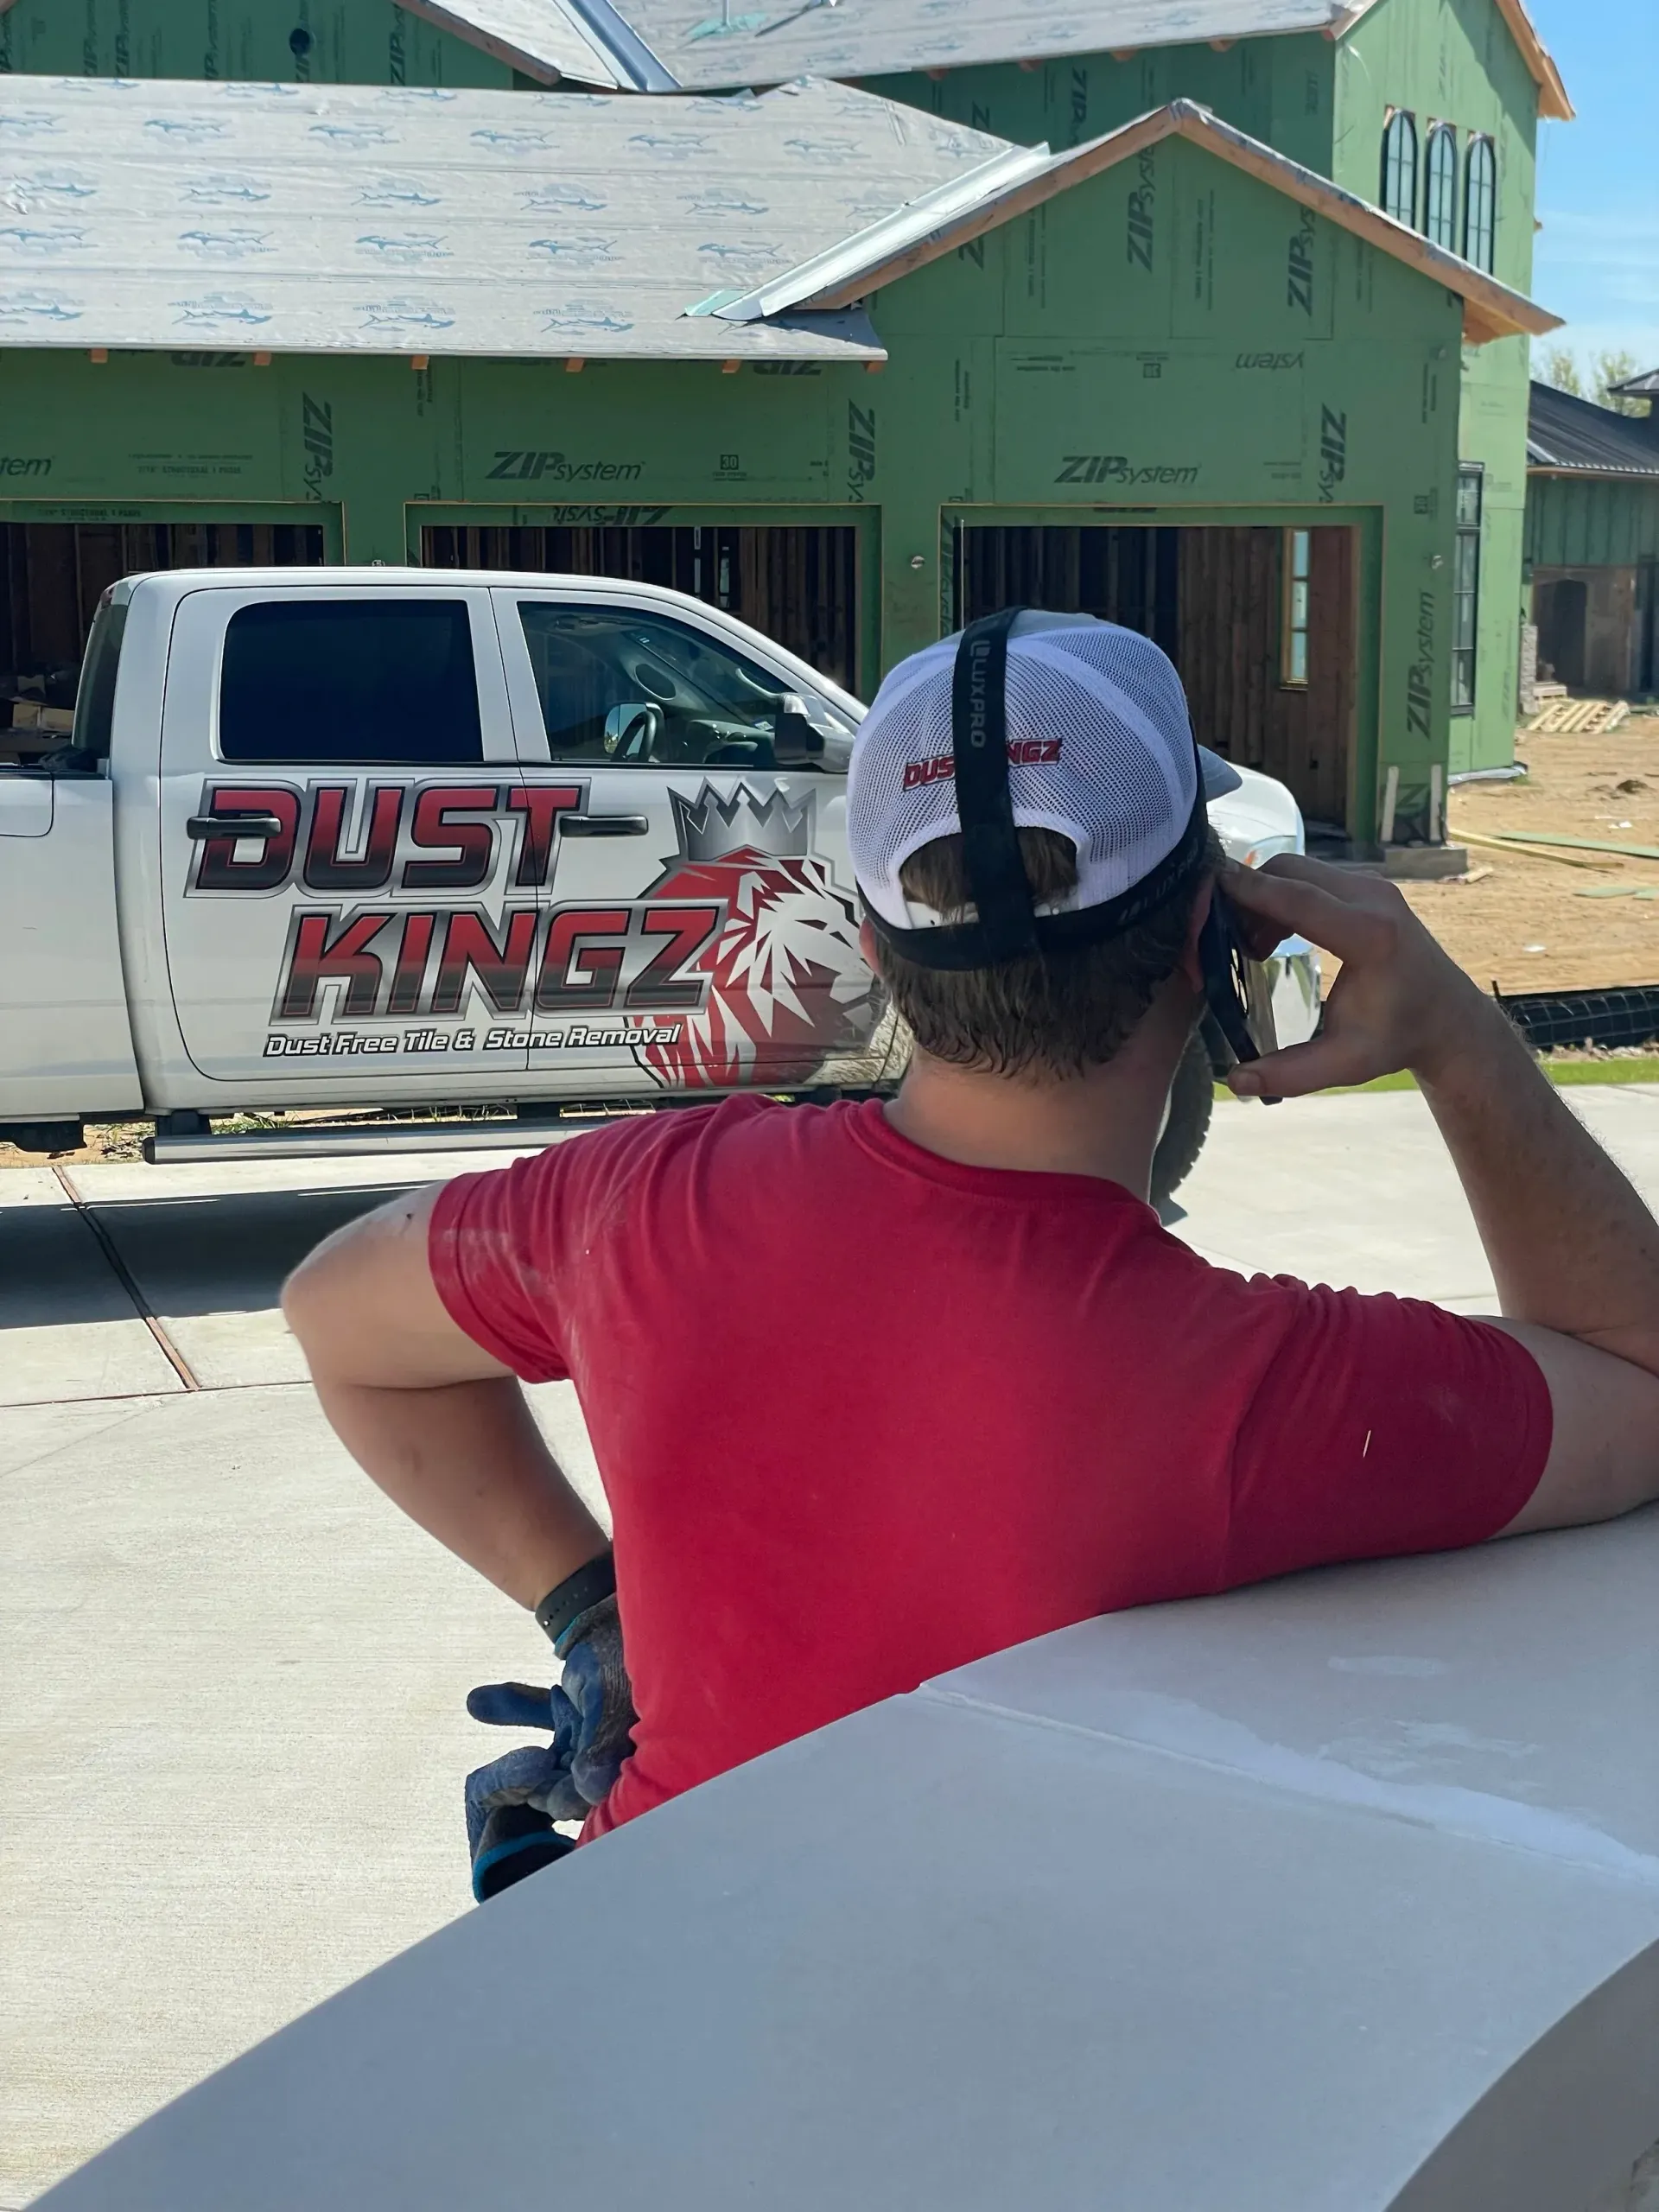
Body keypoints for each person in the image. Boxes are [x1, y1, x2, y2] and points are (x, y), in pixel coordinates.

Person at [283, 611, 1659, 1894]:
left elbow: (336, 1321)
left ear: (879, 949)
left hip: (649, 1954)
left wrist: (595, 1613)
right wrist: (1461, 1038)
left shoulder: (641, 1207)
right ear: (1213, 938)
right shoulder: (1256, 1389)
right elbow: (1637, 1373)